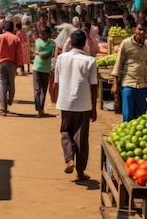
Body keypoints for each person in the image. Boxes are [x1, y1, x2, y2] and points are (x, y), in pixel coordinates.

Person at [54, 30, 98, 182]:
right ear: (85, 44)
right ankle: (80, 172)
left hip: (65, 103)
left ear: (70, 43)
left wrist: (57, 99)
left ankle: (69, 159)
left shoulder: (61, 58)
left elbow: (57, 82)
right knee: (81, 138)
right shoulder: (90, 60)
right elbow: (94, 86)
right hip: (83, 104)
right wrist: (94, 108)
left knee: (65, 131)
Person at [111, 19, 147, 122]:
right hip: (128, 83)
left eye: (144, 30)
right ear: (134, 30)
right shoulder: (126, 44)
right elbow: (118, 64)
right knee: (127, 115)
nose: (141, 32)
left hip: (142, 84)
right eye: (139, 29)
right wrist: (115, 84)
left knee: (141, 117)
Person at [0, 20, 23, 116]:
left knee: (2, 85)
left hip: (1, 63)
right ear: (12, 29)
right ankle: (10, 99)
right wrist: (19, 65)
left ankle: (3, 109)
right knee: (11, 82)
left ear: (4, 28)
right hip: (12, 64)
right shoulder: (16, 38)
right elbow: (19, 54)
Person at [33, 25, 55, 117]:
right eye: (41, 34)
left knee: (37, 89)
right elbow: (52, 55)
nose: (41, 35)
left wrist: (40, 53)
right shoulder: (52, 44)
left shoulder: (37, 42)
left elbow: (36, 52)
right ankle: (40, 110)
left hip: (37, 67)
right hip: (45, 68)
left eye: (43, 34)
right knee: (43, 90)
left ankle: (39, 110)